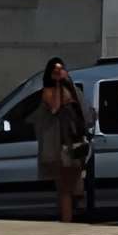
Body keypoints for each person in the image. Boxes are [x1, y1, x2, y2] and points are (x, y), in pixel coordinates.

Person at [32, 58, 91, 225]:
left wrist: (68, 82)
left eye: (61, 69)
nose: (59, 73)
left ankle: (74, 216)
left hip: (75, 141)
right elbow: (55, 108)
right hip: (60, 145)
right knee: (65, 188)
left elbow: (83, 109)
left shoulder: (71, 89)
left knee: (75, 186)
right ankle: (67, 222)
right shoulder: (48, 91)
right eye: (55, 71)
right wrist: (58, 84)